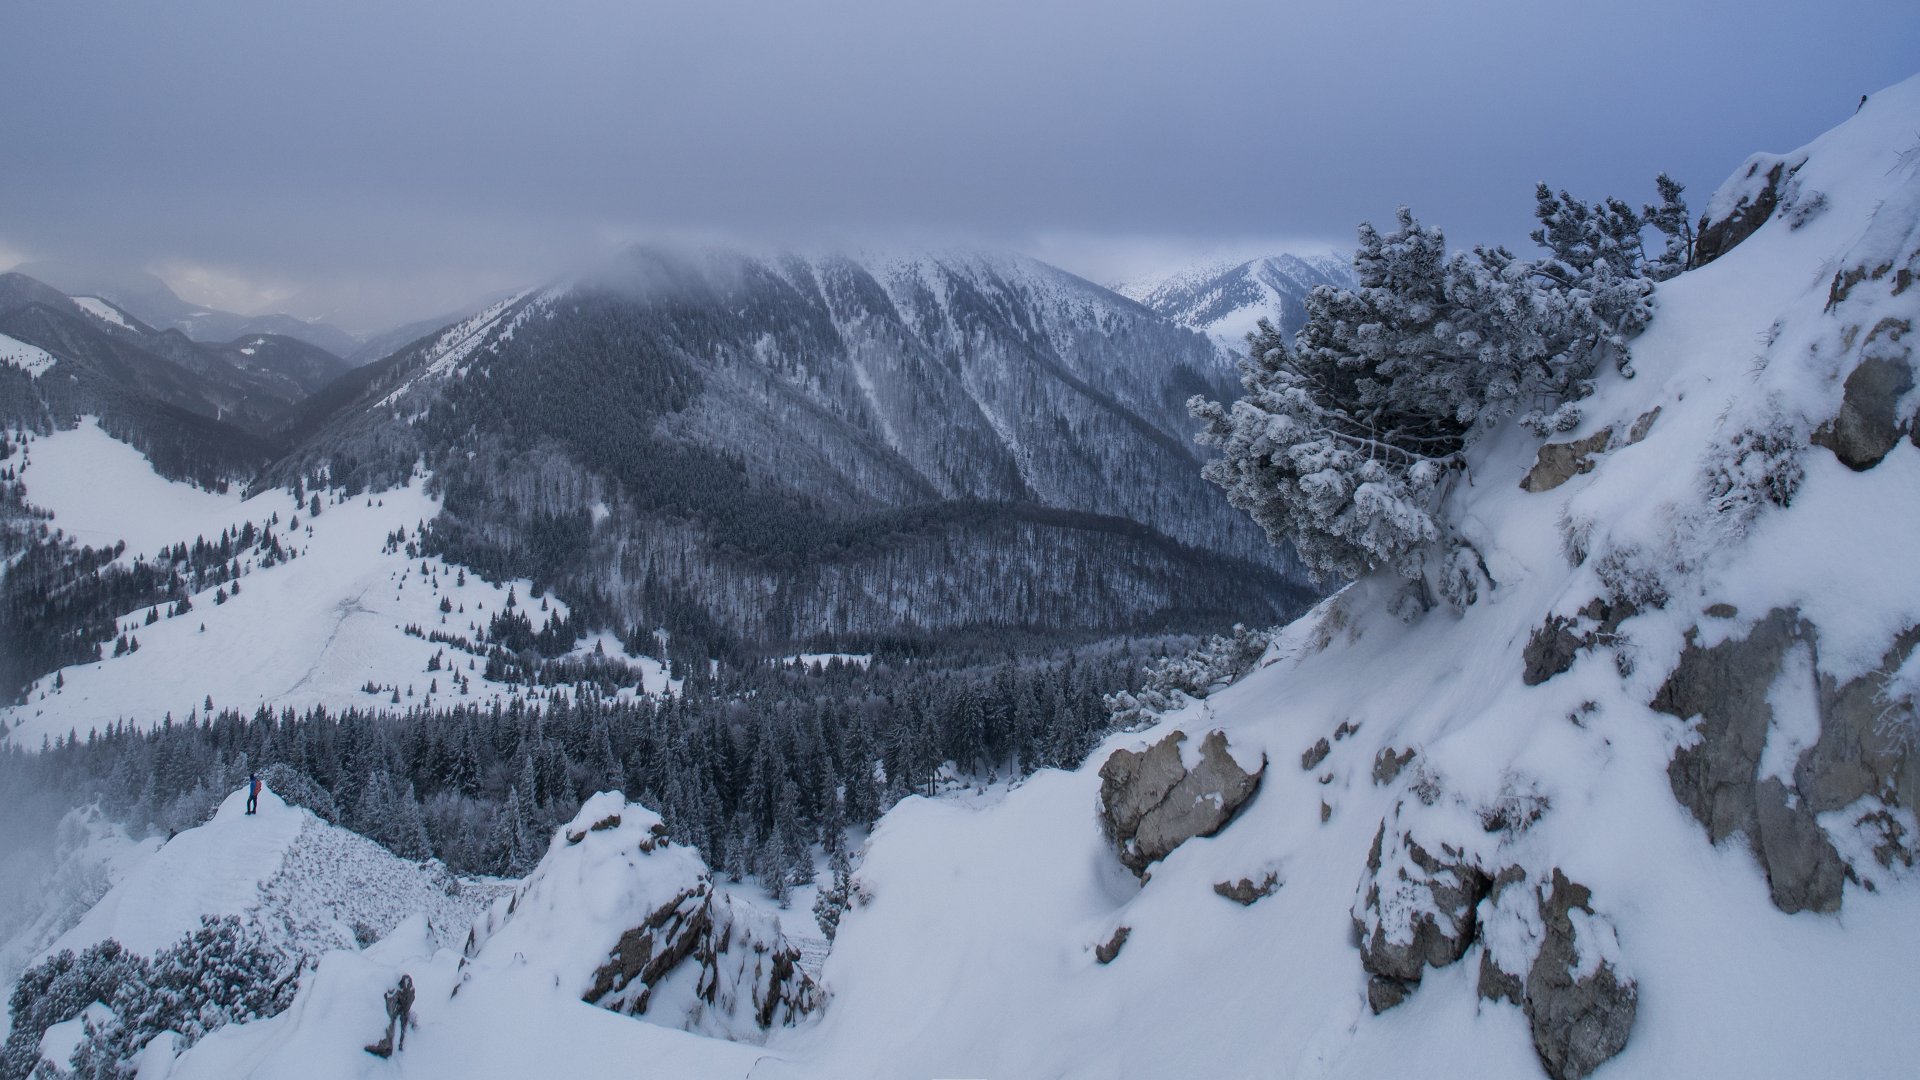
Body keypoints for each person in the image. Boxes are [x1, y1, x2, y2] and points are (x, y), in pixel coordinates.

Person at [366, 974, 416, 1057]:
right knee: (401, 1008)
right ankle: (397, 1044)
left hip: (391, 980)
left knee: (388, 1012)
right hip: (397, 977)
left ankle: (386, 1046)